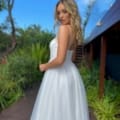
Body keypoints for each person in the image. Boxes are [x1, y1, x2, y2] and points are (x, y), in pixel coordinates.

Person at [30, 0, 90, 120]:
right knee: (68, 112)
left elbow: (60, 60)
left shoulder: (63, 29)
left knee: (53, 111)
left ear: (71, 12)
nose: (61, 16)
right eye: (58, 13)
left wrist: (44, 66)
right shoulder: (75, 31)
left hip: (58, 76)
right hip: (71, 74)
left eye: (64, 11)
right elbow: (71, 58)